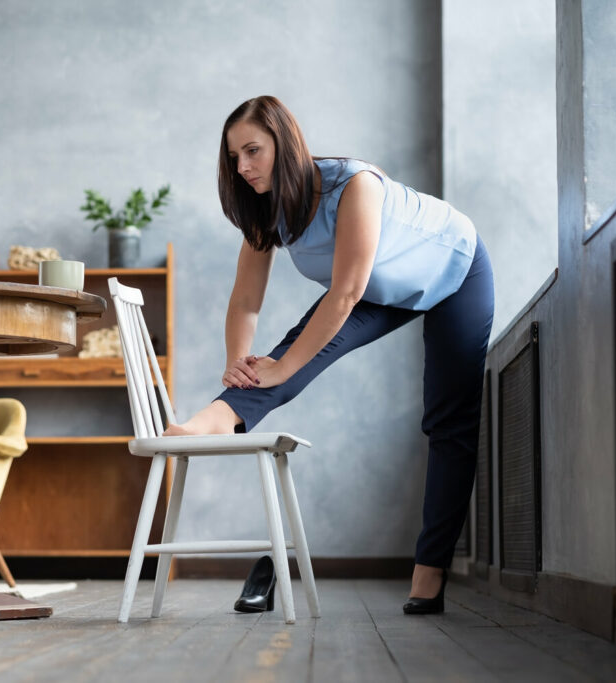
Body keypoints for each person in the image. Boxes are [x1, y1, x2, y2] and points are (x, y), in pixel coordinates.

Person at [165, 95, 494, 614]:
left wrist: (284, 364)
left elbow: (344, 292)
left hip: (454, 269)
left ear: (285, 142)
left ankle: (429, 573)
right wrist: (239, 359)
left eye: (252, 150)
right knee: (287, 354)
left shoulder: (353, 185)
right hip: (377, 289)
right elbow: (246, 299)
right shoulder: (266, 208)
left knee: (448, 421)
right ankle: (213, 419)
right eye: (234, 158)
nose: (243, 167)